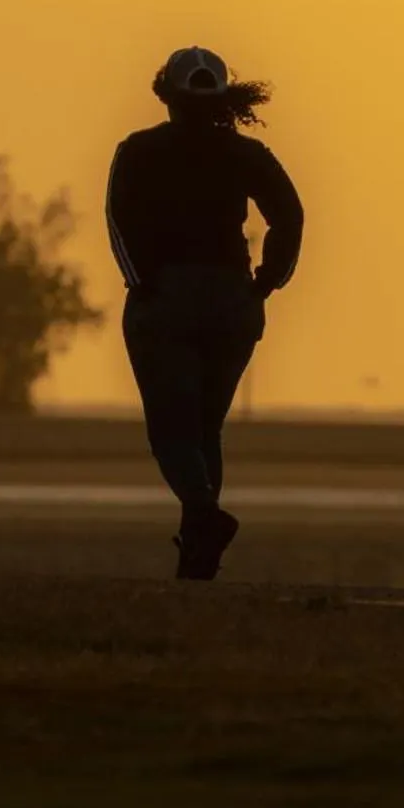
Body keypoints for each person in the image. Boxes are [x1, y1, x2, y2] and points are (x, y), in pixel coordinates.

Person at [105, 47, 303, 580]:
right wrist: (266, 281)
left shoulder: (139, 151)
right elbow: (290, 213)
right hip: (233, 302)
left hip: (167, 301)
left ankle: (203, 516)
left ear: (166, 96)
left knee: (171, 431)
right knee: (205, 429)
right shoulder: (248, 154)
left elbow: (118, 220)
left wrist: (143, 283)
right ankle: (199, 553)